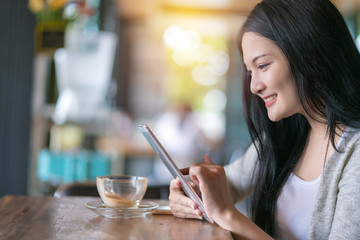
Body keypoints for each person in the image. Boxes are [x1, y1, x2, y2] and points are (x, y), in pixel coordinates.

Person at [168, 0, 360, 239]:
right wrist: (189, 192)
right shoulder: (284, 135)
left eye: (263, 65)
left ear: (308, 51)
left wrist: (229, 215)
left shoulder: (355, 154)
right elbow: (230, 183)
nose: (253, 87)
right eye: (250, 72)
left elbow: (224, 206)